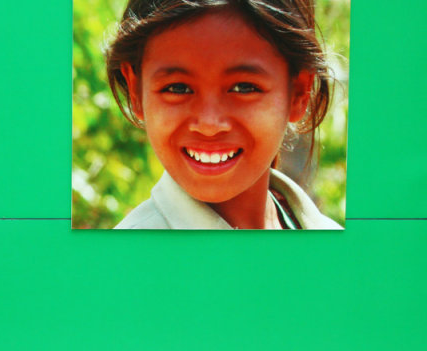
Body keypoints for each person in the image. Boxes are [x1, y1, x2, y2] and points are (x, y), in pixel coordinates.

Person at [106, 0, 342, 229]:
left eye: (244, 88)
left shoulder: (343, 253)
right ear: (136, 91)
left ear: (298, 93)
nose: (209, 124)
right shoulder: (120, 262)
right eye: (177, 88)